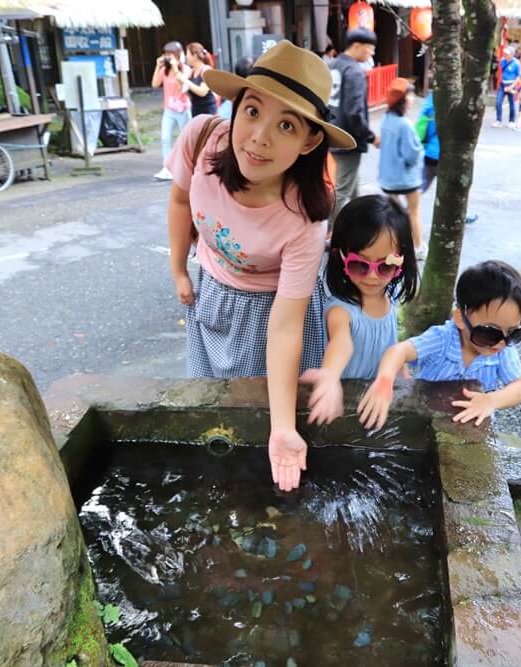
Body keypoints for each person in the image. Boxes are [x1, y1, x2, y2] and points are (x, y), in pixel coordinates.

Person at [165, 41, 356, 491]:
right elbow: (178, 199)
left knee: (268, 425)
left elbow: (286, 326)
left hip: (270, 314)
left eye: (285, 125)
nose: (259, 137)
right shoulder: (201, 138)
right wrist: (178, 268)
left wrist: (283, 428)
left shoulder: (305, 217)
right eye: (252, 112)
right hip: (213, 294)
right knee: (218, 414)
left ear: (310, 139)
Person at [357, 260, 521, 430]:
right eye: (489, 332)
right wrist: (384, 382)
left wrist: (491, 400)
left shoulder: (503, 349)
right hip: (427, 418)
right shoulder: (441, 340)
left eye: (514, 333)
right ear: (461, 319)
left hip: (472, 424)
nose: (502, 341)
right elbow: (398, 351)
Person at [299, 195, 419, 425]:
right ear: (340, 257)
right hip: (342, 401)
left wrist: (401, 370)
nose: (373, 276)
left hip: (377, 394)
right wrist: (330, 376)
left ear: (402, 263)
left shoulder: (390, 296)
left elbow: (392, 342)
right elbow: (341, 342)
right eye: (359, 264)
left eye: (386, 266)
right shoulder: (341, 310)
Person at [328, 28, 379, 221]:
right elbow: (354, 113)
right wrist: (371, 136)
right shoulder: (354, 72)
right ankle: (332, 232)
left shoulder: (333, 65)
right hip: (348, 139)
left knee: (351, 181)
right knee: (342, 190)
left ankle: (362, 218)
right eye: (370, 49)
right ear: (357, 46)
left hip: (333, 134)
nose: (371, 54)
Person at [377, 78, 425, 258]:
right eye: (410, 94)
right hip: (406, 178)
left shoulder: (386, 118)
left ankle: (394, 246)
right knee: (413, 213)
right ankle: (418, 248)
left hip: (387, 179)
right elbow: (412, 155)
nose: (412, 98)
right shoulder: (405, 125)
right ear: (402, 99)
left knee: (392, 215)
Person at [414, 94, 478, 224]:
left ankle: (404, 206)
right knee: (456, 187)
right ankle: (461, 213)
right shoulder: (454, 98)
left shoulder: (431, 99)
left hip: (430, 152)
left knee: (423, 183)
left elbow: (423, 123)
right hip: (447, 153)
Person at [153, 41, 192, 181]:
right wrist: (158, 66)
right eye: (166, 54)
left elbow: (183, 87)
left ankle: (186, 167)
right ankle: (167, 168)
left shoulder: (186, 69)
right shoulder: (165, 70)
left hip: (183, 109)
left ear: (178, 55)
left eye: (170, 54)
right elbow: (155, 83)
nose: (168, 57)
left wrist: (176, 68)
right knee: (165, 138)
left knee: (185, 139)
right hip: (169, 110)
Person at [183, 42, 217, 117]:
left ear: (194, 55)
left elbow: (202, 92)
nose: (186, 56)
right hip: (195, 110)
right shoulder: (191, 71)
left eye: (187, 54)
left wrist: (185, 81)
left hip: (208, 111)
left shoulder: (206, 70)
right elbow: (188, 93)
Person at [492, 46, 521, 128]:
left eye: (507, 53)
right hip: (503, 84)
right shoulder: (502, 61)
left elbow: (518, 77)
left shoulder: (516, 63)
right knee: (498, 102)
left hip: (511, 84)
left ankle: (511, 121)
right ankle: (498, 120)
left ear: (512, 54)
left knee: (511, 103)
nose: (505, 54)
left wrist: (512, 87)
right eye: (505, 53)